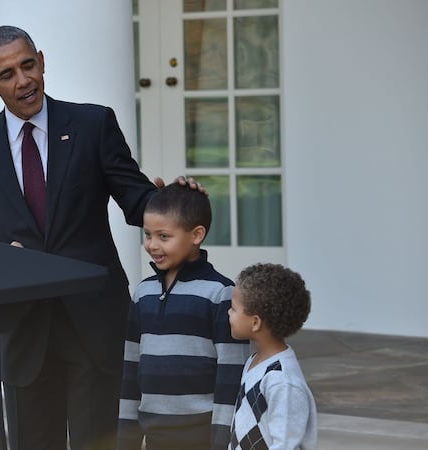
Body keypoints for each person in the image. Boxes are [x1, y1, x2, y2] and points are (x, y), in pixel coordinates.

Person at [0, 25, 200, 450]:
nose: (23, 80)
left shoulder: (92, 124)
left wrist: (176, 205)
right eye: (7, 74)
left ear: (42, 62)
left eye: (28, 65)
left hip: (96, 323)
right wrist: (0, 257)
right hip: (24, 333)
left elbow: (136, 198)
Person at [117, 183, 250, 450]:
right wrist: (126, 438)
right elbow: (131, 369)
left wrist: (221, 440)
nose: (152, 245)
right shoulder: (143, 293)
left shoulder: (220, 293)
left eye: (164, 236)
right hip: (153, 433)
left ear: (196, 234)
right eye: (148, 235)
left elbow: (231, 373)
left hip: (201, 435)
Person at [227, 263, 317, 450]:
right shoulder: (254, 361)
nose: (229, 313)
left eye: (233, 309)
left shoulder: (282, 382)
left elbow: (285, 444)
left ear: (255, 322)